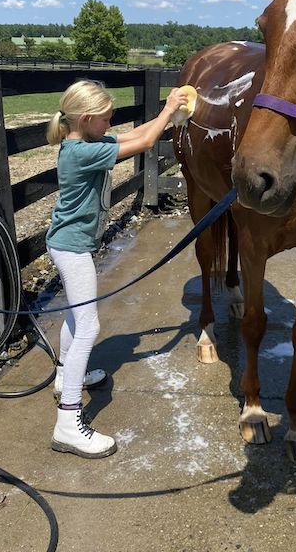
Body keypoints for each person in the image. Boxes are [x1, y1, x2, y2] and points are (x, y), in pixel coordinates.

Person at [45, 78, 188, 458]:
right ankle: (68, 423)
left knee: (78, 316)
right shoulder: (79, 153)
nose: (111, 124)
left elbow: (139, 132)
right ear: (88, 119)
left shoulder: (89, 140)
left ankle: (63, 376)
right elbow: (143, 145)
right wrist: (170, 111)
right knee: (89, 325)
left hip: (68, 244)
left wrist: (166, 117)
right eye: (107, 119)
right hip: (71, 248)